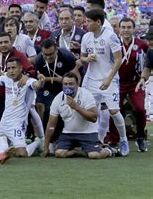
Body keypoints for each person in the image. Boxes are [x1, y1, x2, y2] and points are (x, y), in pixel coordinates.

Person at [0, 58, 45, 164]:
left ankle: (37, 143)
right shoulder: (6, 79)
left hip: (18, 124)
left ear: (21, 68)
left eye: (14, 68)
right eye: (9, 68)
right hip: (4, 122)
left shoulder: (28, 81)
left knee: (21, 154)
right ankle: (8, 145)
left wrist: (41, 80)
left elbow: (37, 85)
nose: (11, 71)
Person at [78, 9, 128, 156]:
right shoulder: (86, 37)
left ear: (98, 22)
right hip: (90, 80)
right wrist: (87, 59)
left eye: (88, 21)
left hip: (109, 79)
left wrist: (109, 79)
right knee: (89, 111)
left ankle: (124, 139)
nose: (85, 24)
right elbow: (82, 58)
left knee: (113, 111)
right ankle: (93, 140)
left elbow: (119, 59)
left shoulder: (110, 36)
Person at [43, 72, 115, 159]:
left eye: (71, 84)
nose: (68, 86)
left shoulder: (86, 95)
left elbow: (94, 118)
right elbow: (51, 125)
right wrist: (46, 147)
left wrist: (77, 107)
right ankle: (79, 152)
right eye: (65, 84)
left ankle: (109, 150)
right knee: (59, 153)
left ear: (77, 84)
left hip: (88, 133)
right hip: (68, 134)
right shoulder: (58, 99)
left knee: (94, 155)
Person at [109, 18, 148, 152]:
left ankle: (141, 137)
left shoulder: (142, 44)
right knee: (114, 110)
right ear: (119, 29)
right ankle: (114, 139)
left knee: (140, 109)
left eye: (129, 27)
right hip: (116, 83)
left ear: (134, 29)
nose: (126, 30)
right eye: (123, 27)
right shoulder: (113, 43)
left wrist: (144, 76)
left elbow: (150, 62)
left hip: (135, 83)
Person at [0, 32, 36, 124]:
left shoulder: (19, 55)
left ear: (11, 42)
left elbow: (32, 70)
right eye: (0, 43)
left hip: (16, 93)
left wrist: (27, 76)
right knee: (1, 120)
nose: (3, 45)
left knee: (21, 118)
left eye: (6, 42)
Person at [34, 39, 79, 125]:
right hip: (47, 87)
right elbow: (40, 78)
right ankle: (41, 134)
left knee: (63, 108)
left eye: (51, 54)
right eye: (45, 54)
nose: (48, 57)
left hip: (66, 86)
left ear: (56, 50)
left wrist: (76, 92)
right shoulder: (39, 59)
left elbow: (76, 76)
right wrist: (46, 79)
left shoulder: (66, 56)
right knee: (41, 106)